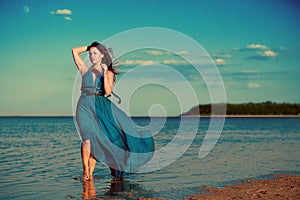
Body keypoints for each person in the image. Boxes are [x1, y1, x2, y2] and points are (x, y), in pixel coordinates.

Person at [72, 41, 154, 180]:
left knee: (95, 141)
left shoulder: (108, 72)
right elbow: (74, 51)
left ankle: (90, 175)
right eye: (90, 54)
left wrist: (104, 71)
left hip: (99, 105)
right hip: (84, 105)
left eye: (95, 53)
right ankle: (86, 172)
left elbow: (108, 91)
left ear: (102, 55)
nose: (91, 56)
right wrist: (91, 47)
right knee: (86, 139)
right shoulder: (85, 69)